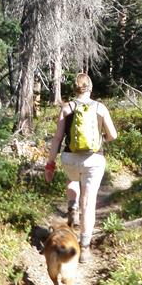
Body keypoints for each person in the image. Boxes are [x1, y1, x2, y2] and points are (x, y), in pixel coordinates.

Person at [44, 73, 117, 263]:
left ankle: (72, 208)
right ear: (90, 88)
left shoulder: (67, 108)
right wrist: (101, 139)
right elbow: (113, 135)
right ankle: (84, 248)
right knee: (89, 201)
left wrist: (50, 164)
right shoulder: (100, 108)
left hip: (70, 159)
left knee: (72, 179)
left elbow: (57, 139)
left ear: (74, 89)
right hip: (94, 160)